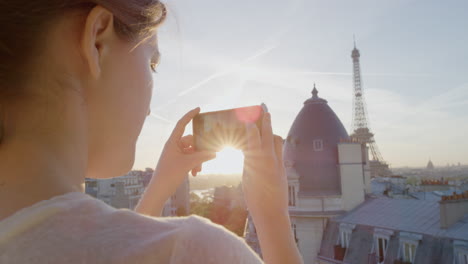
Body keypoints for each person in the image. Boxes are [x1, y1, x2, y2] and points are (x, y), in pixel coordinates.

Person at [0, 1, 304, 264]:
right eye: (152, 62)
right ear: (97, 41)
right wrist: (273, 217)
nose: (148, 107)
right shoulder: (193, 250)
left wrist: (162, 184)